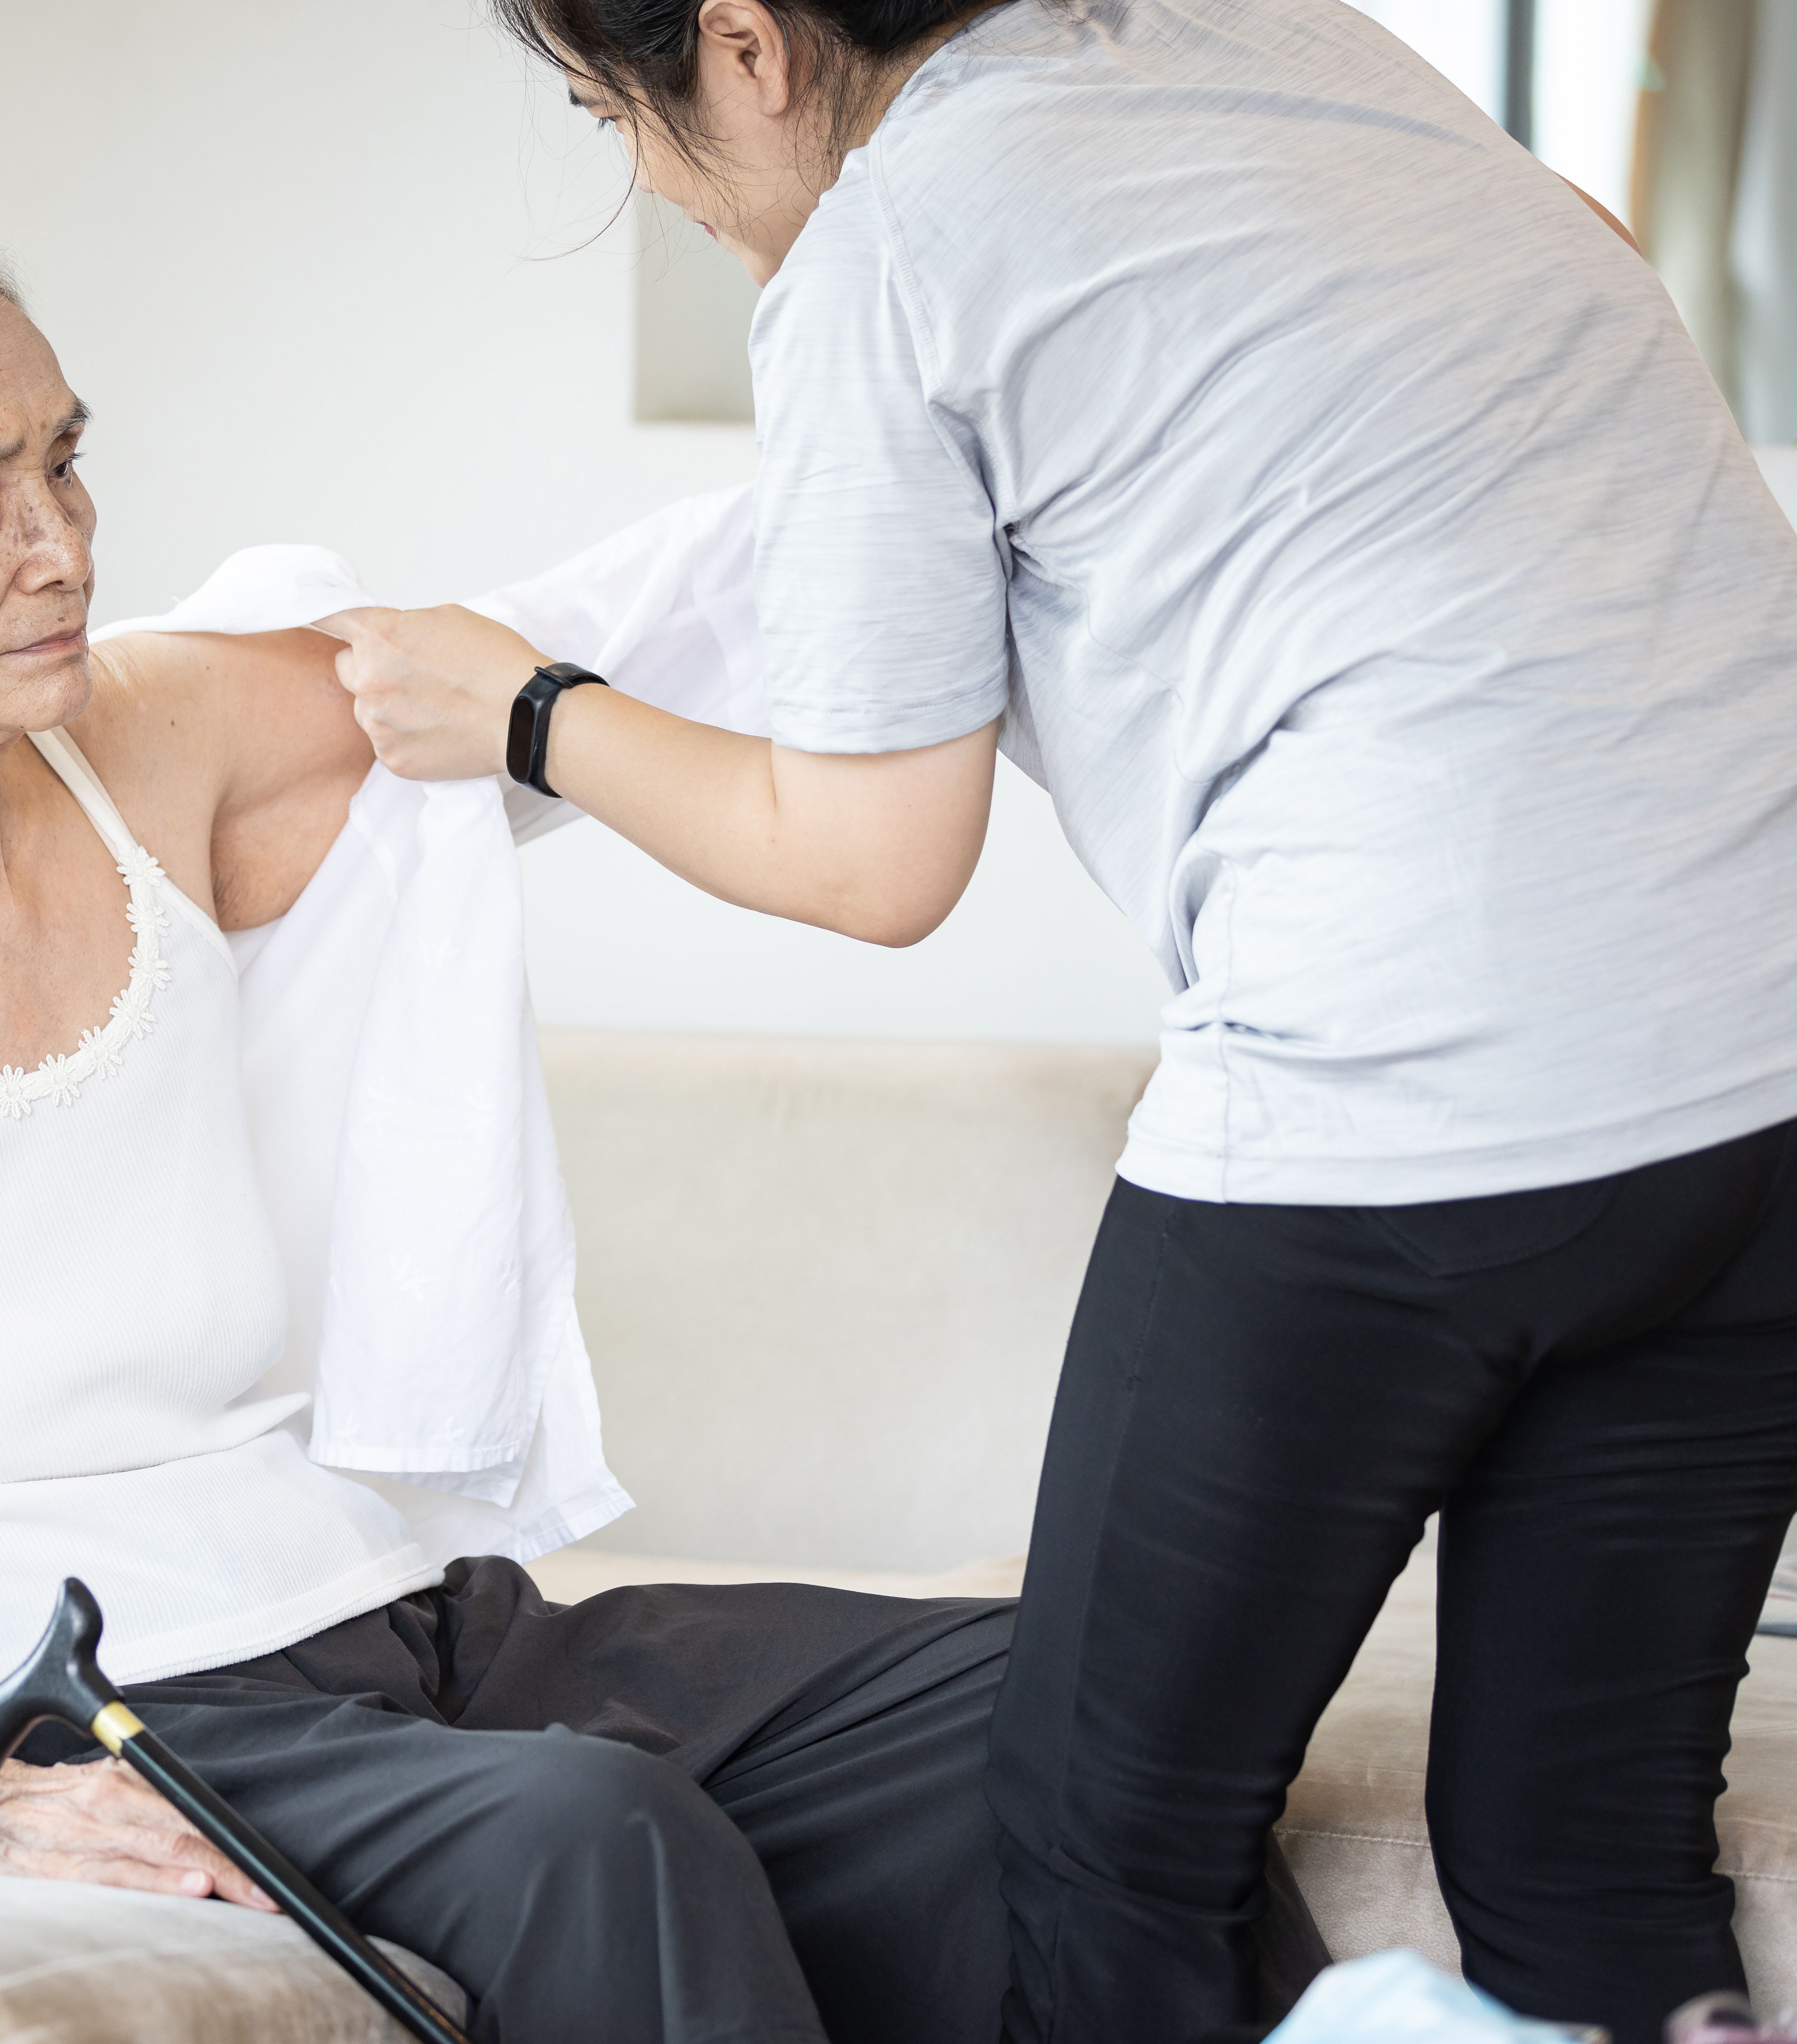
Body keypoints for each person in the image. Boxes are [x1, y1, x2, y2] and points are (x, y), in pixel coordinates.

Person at [323, 3, 1797, 2041]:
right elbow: (1582, 263)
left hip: (1403, 1098)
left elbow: (872, 860)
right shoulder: (1277, 39)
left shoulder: (895, 247)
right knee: (1586, 1841)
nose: (645, 180)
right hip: (1756, 1069)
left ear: (741, 43)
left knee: (1105, 1850)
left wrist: (529, 714)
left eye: (610, 111)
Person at [0, 202, 1026, 2044]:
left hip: (401, 1626)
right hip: (71, 1697)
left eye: (65, 462)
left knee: (1030, 1697)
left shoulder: (153, 738)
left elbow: (574, 643)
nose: (60, 546)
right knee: (596, 1836)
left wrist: (975, 420)